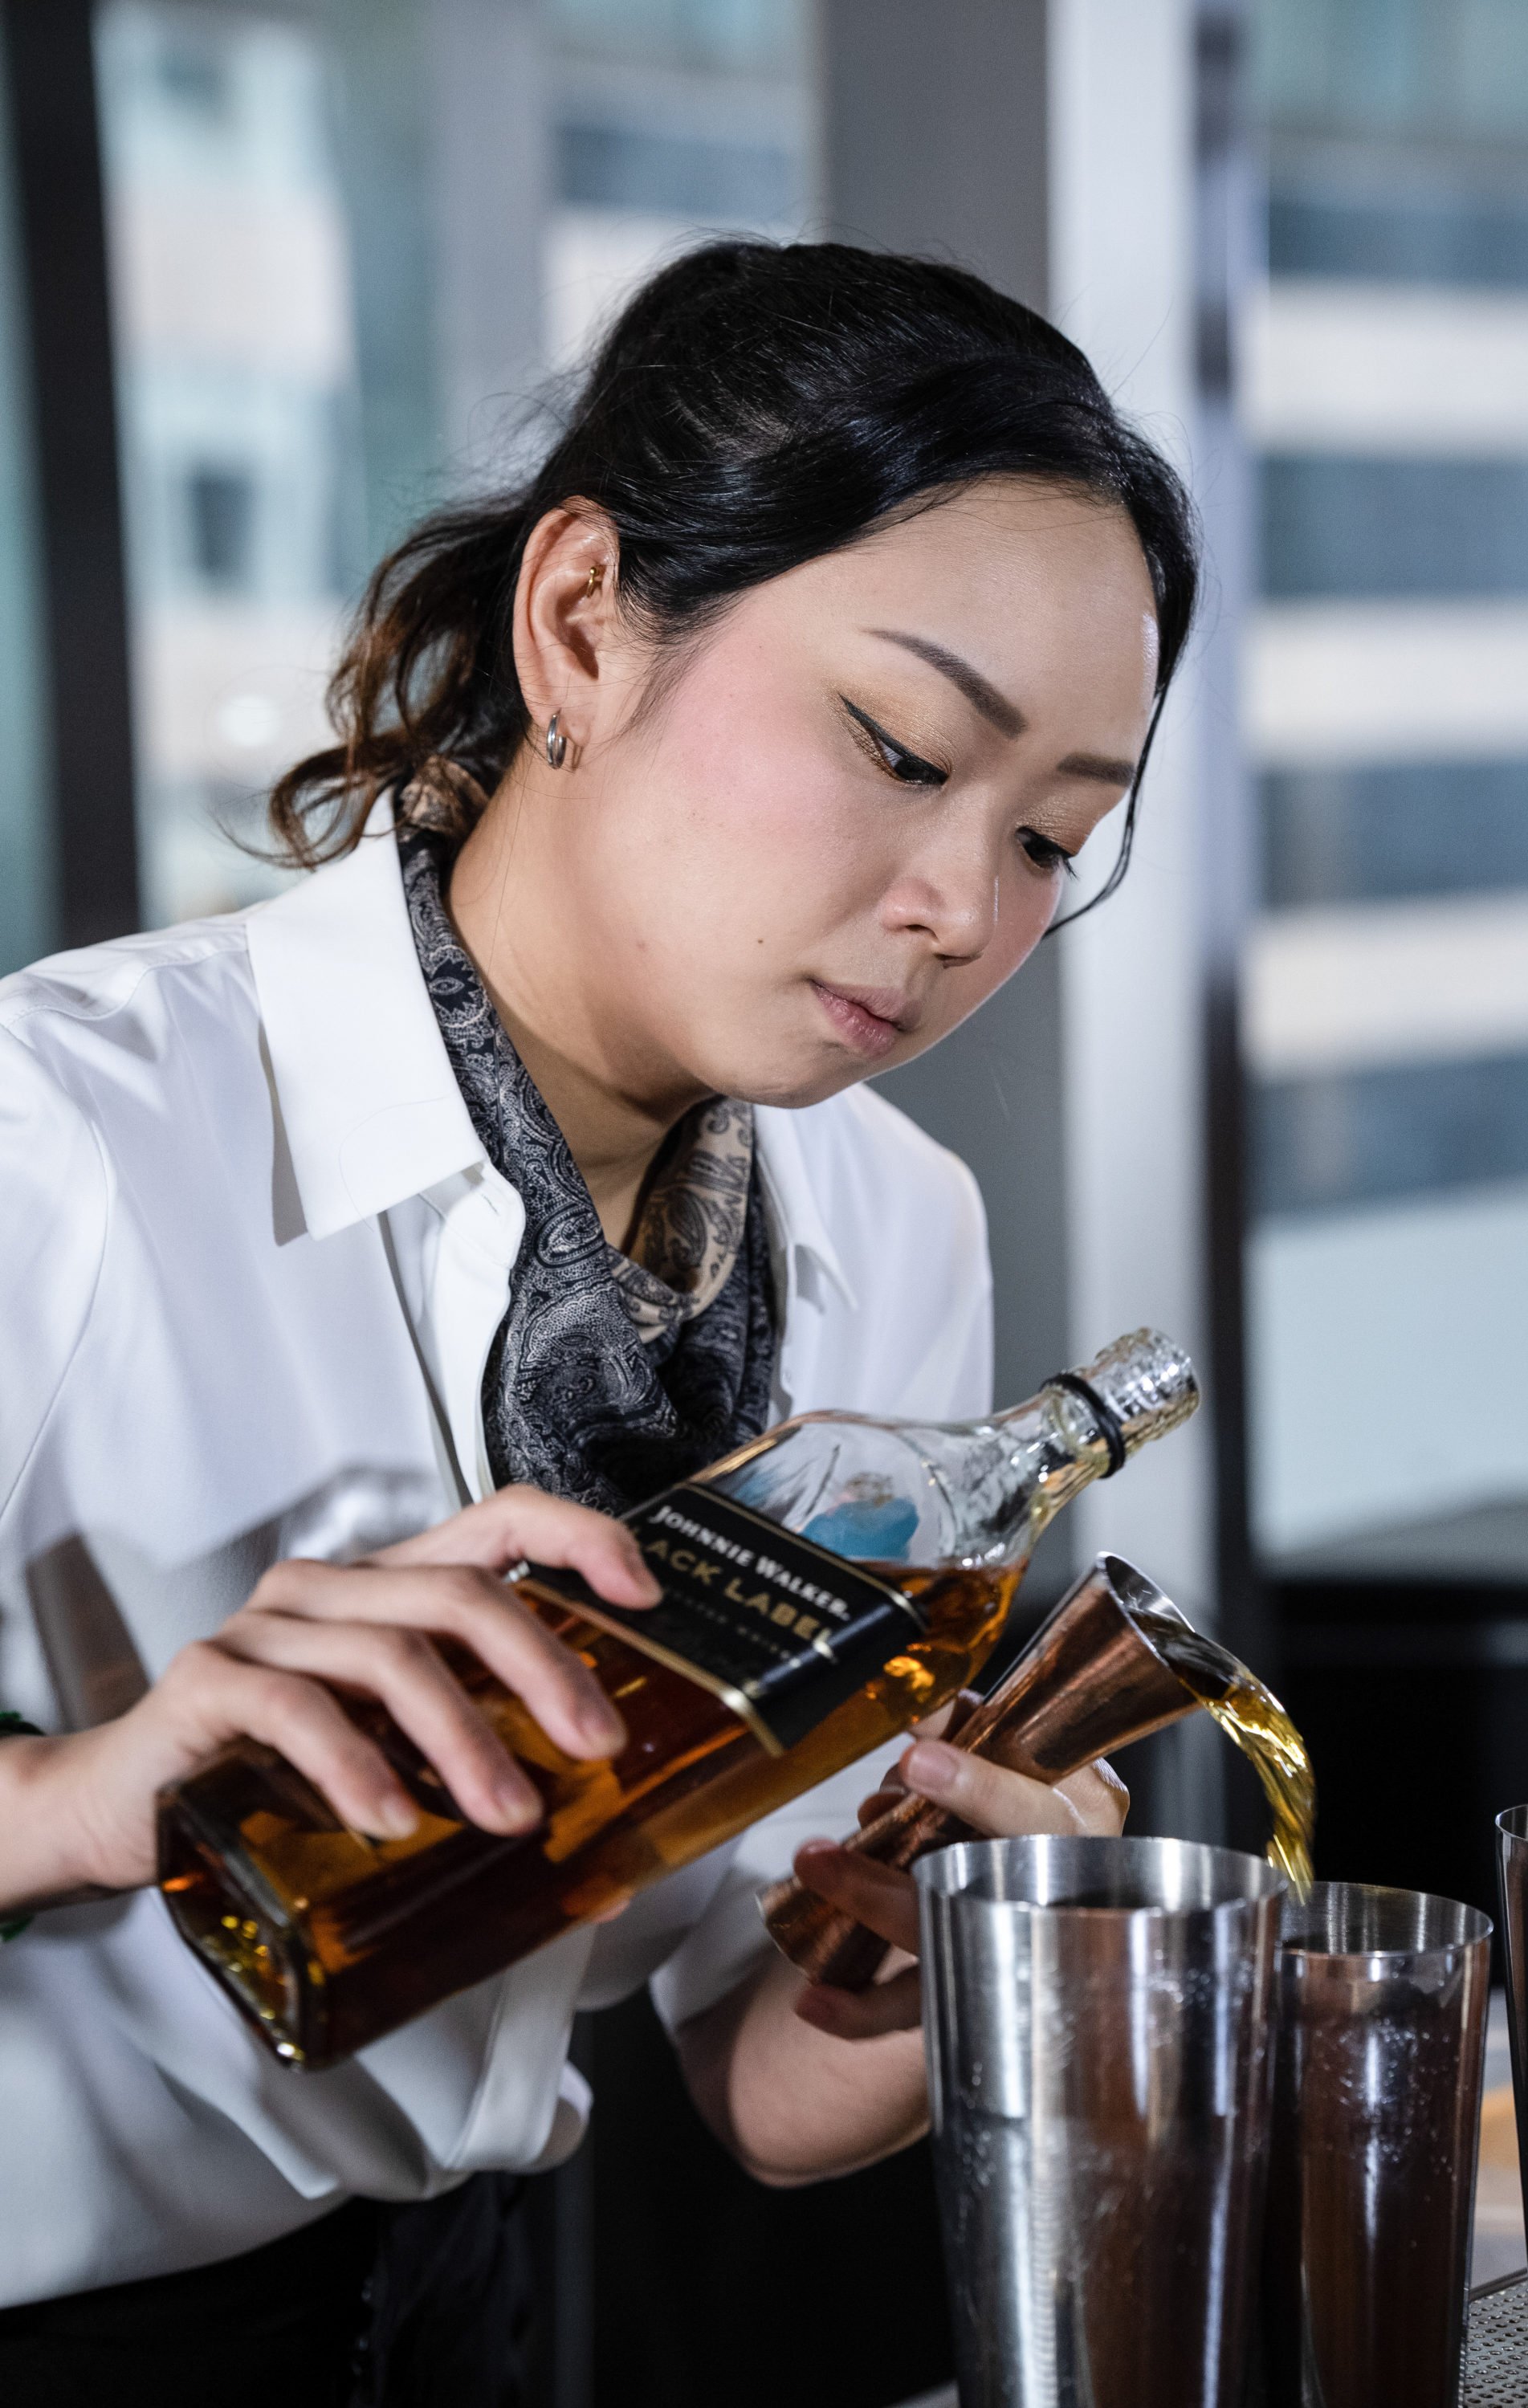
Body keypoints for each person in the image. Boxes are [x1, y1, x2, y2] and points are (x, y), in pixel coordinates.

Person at [0, 239, 1196, 2402]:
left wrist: (919, 1971)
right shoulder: (65, 1135)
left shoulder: (889, 1226)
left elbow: (741, 2053)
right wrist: (89, 1794)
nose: (958, 907)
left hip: (460, 2337)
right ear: (579, 620)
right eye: (902, 744)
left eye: (1051, 840)